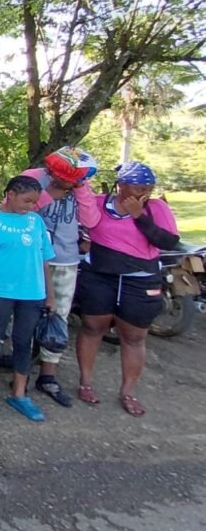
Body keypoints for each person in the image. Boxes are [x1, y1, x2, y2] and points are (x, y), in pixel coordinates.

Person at [75, 161, 179, 417]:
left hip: (139, 279)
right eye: (136, 186)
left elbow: (168, 241)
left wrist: (138, 216)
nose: (142, 192)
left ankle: (128, 391)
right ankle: (86, 382)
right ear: (120, 185)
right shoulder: (100, 203)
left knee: (133, 337)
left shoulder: (156, 208)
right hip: (99, 276)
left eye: (148, 187)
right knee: (92, 327)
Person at [20, 147, 100, 407]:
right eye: (58, 176)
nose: (62, 181)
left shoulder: (82, 187)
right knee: (24, 314)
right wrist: (49, 195)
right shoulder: (33, 177)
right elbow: (11, 210)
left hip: (64, 259)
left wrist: (80, 190)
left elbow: (91, 220)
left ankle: (48, 375)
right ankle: (19, 369)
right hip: (28, 258)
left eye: (69, 179)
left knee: (58, 317)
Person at [0, 175, 56, 422]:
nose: (31, 206)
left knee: (24, 341)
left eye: (35, 202)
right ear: (10, 194)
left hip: (32, 293)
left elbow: (45, 260)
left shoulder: (36, 222)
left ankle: (19, 393)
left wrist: (50, 295)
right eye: (27, 200)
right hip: (0, 291)